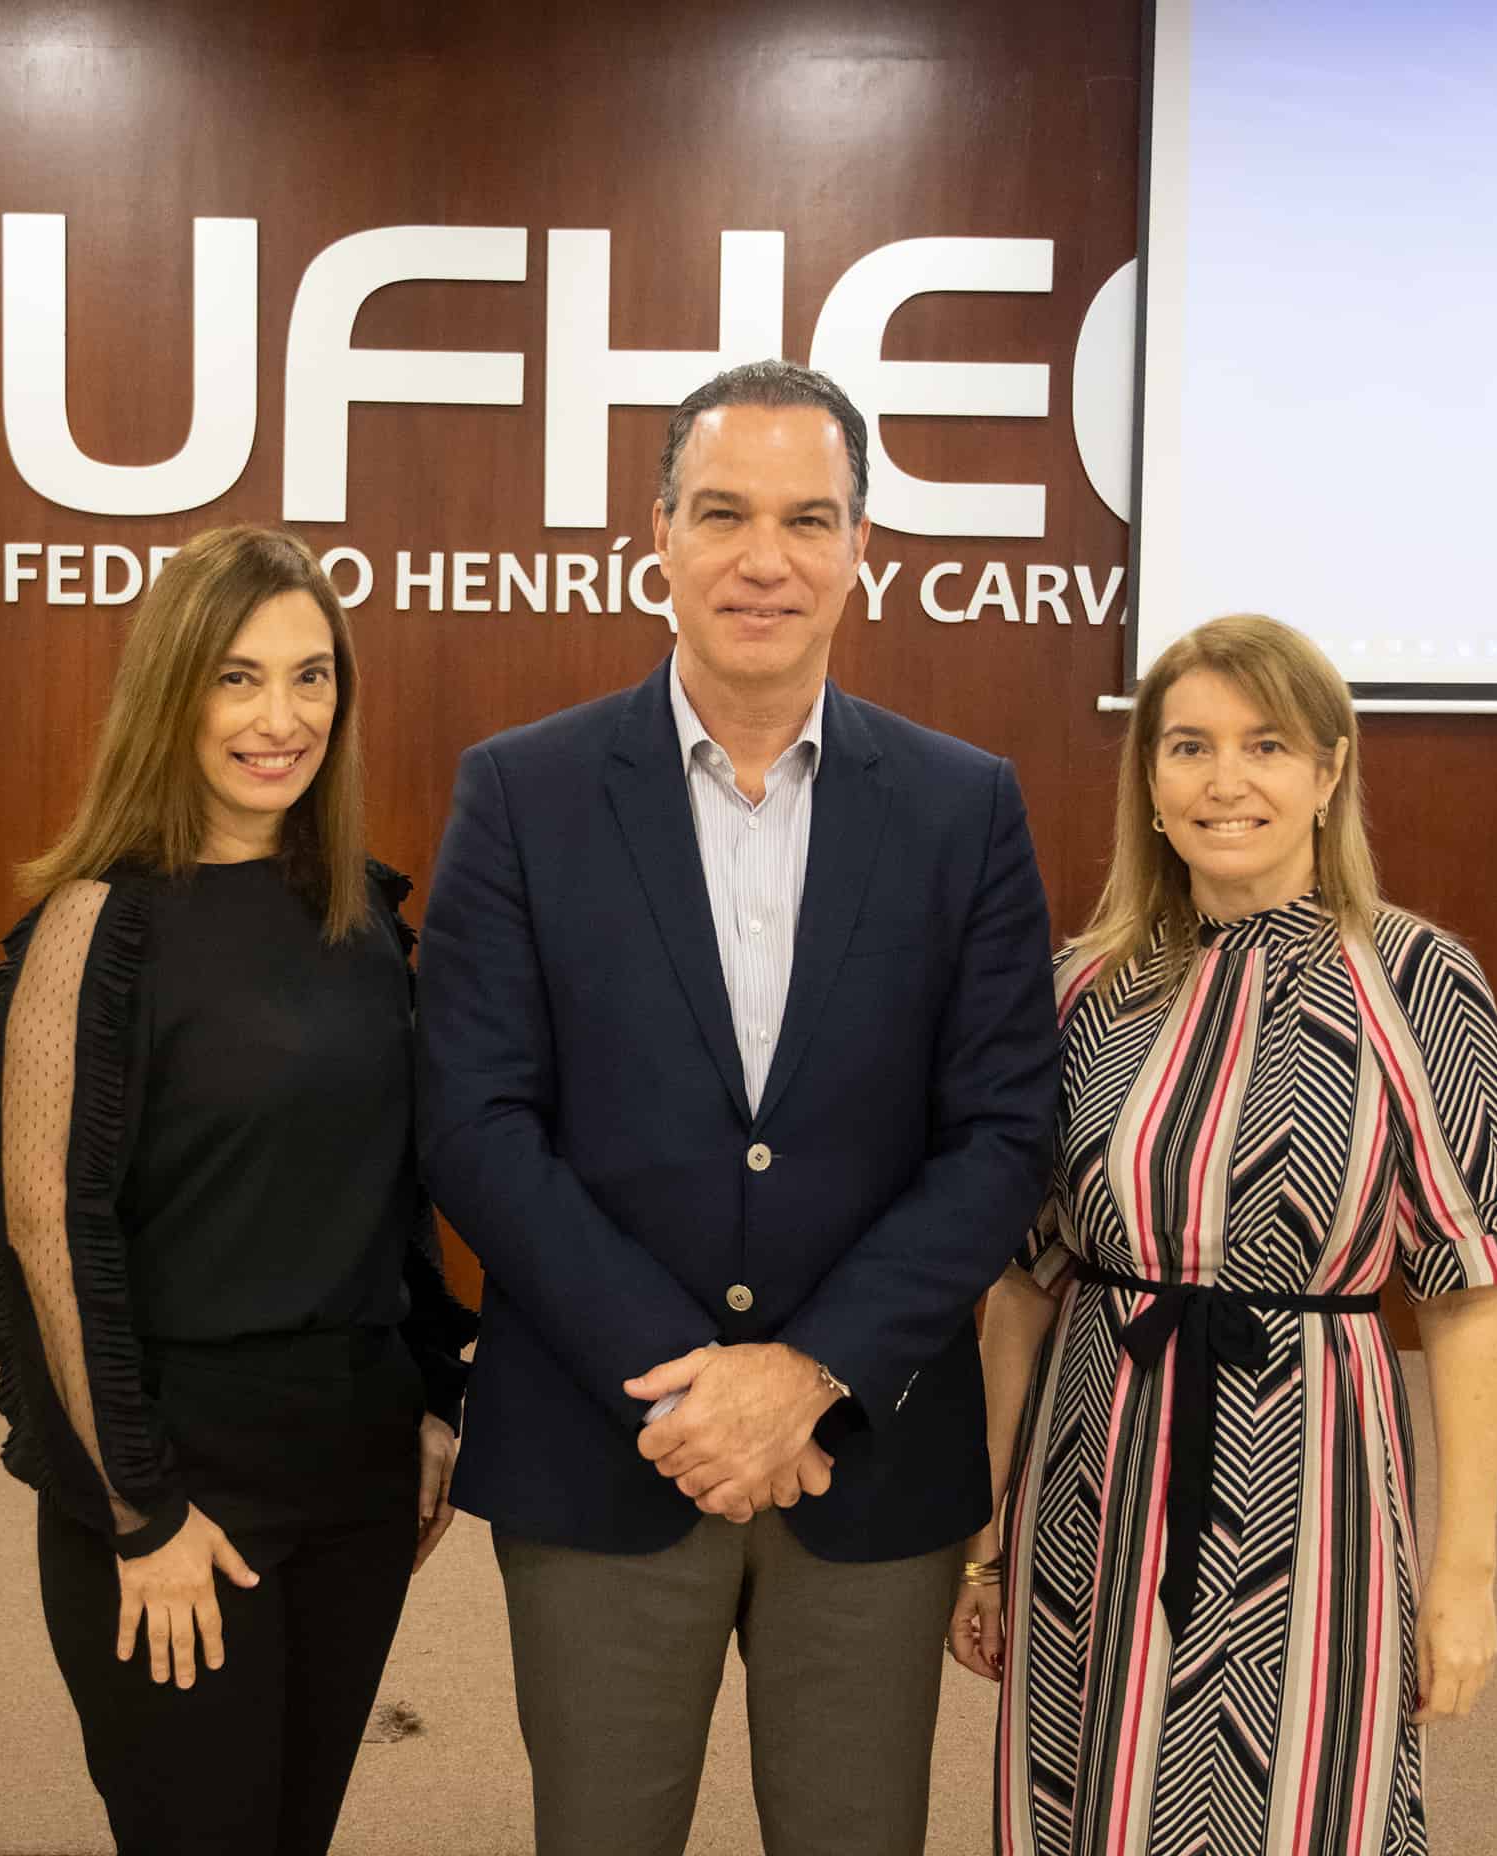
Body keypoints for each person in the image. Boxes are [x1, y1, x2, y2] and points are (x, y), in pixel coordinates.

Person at [416, 360, 1060, 1856]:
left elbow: (1002, 1134)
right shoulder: (523, 792)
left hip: (871, 1452)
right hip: (604, 1440)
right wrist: (690, 1381)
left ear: (859, 550)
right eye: (722, 514)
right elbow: (476, 1120)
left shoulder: (966, 808)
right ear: (656, 535)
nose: (764, 558)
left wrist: (809, 1370)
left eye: (807, 518)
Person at [948, 613, 1497, 1855]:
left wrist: (1464, 1571)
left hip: (1311, 1463)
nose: (1225, 781)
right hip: (1091, 1463)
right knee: (1086, 1794)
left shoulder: (1420, 979)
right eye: (1189, 747)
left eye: (1266, 744)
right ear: (1148, 784)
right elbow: (1022, 1283)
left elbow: (1468, 1288)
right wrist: (986, 1537)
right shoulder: (1083, 988)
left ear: (1328, 773)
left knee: (1305, 1796)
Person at [0, 525, 476, 1856]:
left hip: (356, 1467)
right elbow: (47, 1232)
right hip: (182, 1473)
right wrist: (143, 1509)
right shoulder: (99, 925)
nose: (280, 717)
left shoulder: (358, 911)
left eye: (312, 679)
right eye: (238, 678)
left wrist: (429, 1399)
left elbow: (389, 1183)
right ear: (171, 693)